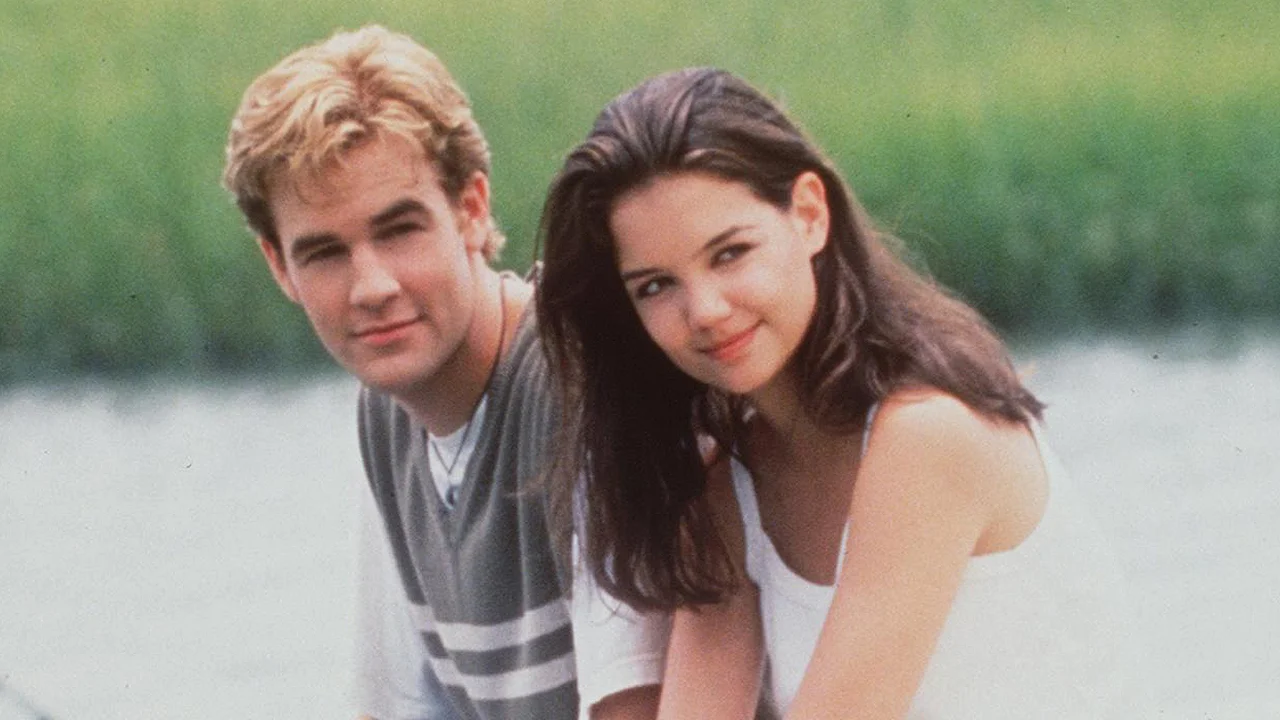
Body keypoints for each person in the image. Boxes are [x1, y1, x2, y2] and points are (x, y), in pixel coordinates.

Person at [536, 67, 1149, 719]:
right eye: (656, 286)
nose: (705, 310)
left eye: (730, 253)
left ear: (809, 214)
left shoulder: (928, 434)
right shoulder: (728, 489)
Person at [221, 26, 667, 720]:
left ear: (471, 209)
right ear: (279, 266)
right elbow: (392, 709)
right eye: (324, 253)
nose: (372, 287)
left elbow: (638, 709)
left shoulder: (579, 383)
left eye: (400, 230)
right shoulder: (387, 414)